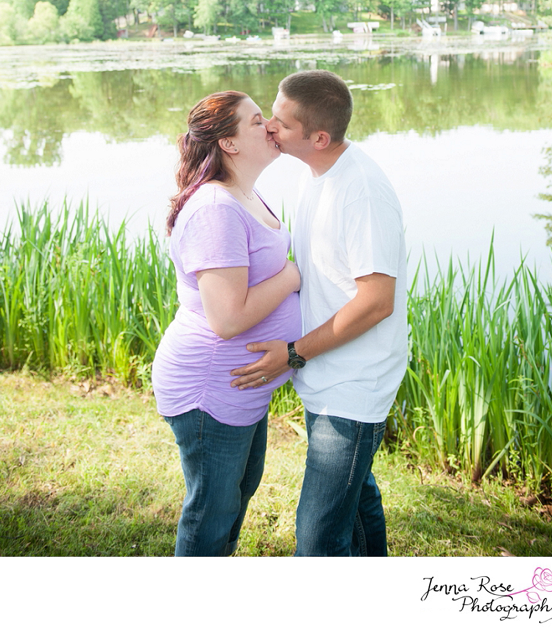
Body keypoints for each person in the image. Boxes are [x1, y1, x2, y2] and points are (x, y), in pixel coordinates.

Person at [230, 70, 408, 556]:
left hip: (354, 383)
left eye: (281, 124)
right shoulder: (320, 173)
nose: (269, 127)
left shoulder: (362, 191)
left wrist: (291, 353)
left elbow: (376, 302)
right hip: (327, 373)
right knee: (355, 500)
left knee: (317, 537)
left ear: (319, 137)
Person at [152, 90, 301, 556]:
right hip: (209, 387)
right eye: (258, 121)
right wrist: (292, 276)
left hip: (240, 384)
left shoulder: (244, 192)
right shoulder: (215, 209)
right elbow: (227, 318)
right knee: (212, 512)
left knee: (238, 494)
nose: (271, 125)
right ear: (230, 144)